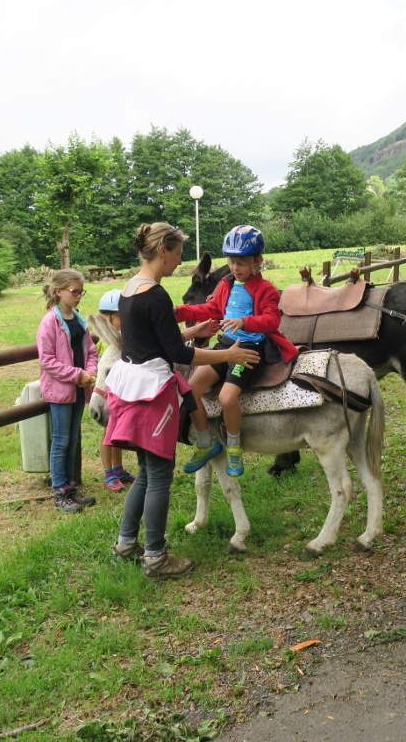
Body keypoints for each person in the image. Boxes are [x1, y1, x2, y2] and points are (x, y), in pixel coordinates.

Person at [104, 222, 259, 579]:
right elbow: (178, 355)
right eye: (177, 254)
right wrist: (229, 355)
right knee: (160, 475)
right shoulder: (157, 295)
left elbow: (151, 341)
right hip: (154, 393)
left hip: (131, 387)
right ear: (163, 251)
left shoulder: (130, 289)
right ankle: (156, 557)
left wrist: (193, 330)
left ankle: (126, 543)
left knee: (146, 473)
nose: (179, 261)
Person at [174, 225, 297, 477]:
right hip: (224, 345)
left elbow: (272, 320)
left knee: (227, 398)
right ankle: (206, 442)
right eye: (231, 261)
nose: (235, 267)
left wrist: (245, 322)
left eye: (241, 262)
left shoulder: (266, 290)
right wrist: (182, 312)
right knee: (191, 389)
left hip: (248, 350)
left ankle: (234, 447)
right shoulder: (226, 285)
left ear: (257, 260)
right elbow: (212, 309)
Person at [36, 269, 99, 513]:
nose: (79, 296)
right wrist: (76, 375)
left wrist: (90, 372)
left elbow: (90, 351)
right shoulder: (49, 323)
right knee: (61, 441)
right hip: (61, 392)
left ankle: (70, 489)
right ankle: (60, 492)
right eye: (74, 291)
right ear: (58, 291)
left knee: (73, 439)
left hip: (79, 390)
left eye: (82, 291)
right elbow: (48, 361)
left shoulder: (78, 319)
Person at [96, 289, 134, 492]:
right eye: (121, 316)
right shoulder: (111, 341)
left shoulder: (122, 336)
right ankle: (108, 473)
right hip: (108, 391)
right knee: (107, 433)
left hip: (121, 390)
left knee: (116, 431)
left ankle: (118, 469)